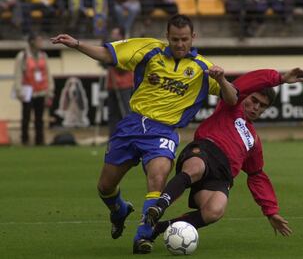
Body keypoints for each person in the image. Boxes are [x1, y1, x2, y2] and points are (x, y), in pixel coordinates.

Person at [50, 14, 238, 254]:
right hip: (132, 126)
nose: (179, 45)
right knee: (105, 186)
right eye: (174, 39)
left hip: (164, 131)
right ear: (166, 37)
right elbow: (108, 55)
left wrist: (221, 80)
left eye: (184, 40)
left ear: (193, 38)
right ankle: (119, 210)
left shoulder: (203, 68)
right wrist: (77, 44)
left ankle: (143, 236)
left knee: (158, 177)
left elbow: (232, 99)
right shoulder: (149, 50)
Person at [144, 67, 303, 247]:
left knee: (215, 211)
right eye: (254, 100)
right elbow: (246, 82)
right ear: (246, 96)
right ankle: (158, 207)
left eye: (262, 106)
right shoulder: (232, 105)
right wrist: (279, 78)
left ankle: (157, 228)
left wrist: (271, 211)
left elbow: (256, 175)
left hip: (222, 174)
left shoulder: (254, 139)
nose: (256, 107)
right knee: (196, 168)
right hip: (205, 150)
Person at [14, 32, 54, 146]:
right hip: (27, 91)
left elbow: (47, 73)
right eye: (39, 40)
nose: (41, 43)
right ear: (32, 42)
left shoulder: (43, 55)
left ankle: (39, 140)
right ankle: (25, 140)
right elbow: (18, 74)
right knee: (26, 117)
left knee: (39, 118)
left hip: (40, 91)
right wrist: (18, 90)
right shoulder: (23, 56)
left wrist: (49, 89)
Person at [104, 27, 134, 136]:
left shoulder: (126, 48)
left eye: (115, 34)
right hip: (111, 84)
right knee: (112, 114)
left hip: (124, 85)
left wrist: (112, 61)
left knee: (125, 112)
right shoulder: (110, 48)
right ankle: (112, 136)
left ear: (121, 36)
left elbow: (124, 67)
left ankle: (127, 135)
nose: (113, 36)